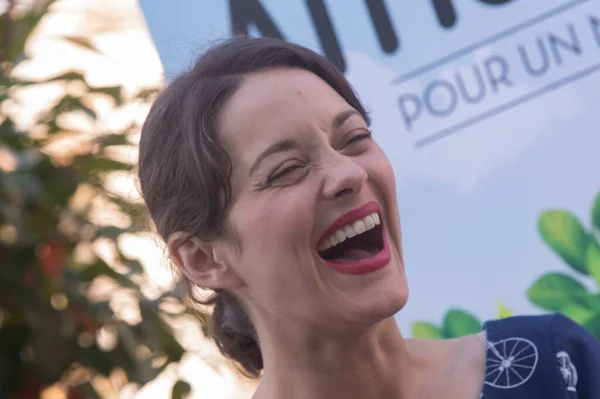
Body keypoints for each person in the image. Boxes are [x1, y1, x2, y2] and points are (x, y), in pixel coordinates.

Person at [137, 37, 600, 399]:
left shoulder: (555, 367)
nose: (349, 172)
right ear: (201, 258)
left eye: (355, 138)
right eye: (287, 170)